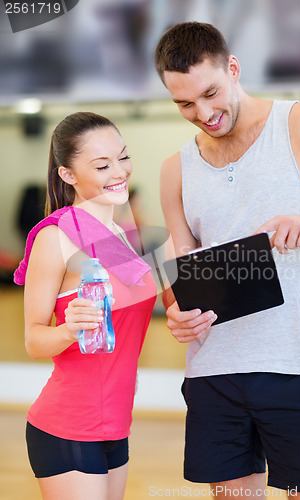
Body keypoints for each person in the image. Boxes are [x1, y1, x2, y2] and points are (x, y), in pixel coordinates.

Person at [154, 22, 300, 499]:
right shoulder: (174, 170)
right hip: (214, 372)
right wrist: (176, 311)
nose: (203, 113)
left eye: (211, 93)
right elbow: (179, 271)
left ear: (234, 68)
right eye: (185, 103)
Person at [13, 112, 156, 500]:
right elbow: (33, 340)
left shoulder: (121, 234)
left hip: (116, 425)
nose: (119, 171)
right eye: (101, 165)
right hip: (68, 427)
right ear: (68, 175)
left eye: (122, 157)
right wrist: (66, 329)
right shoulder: (55, 236)